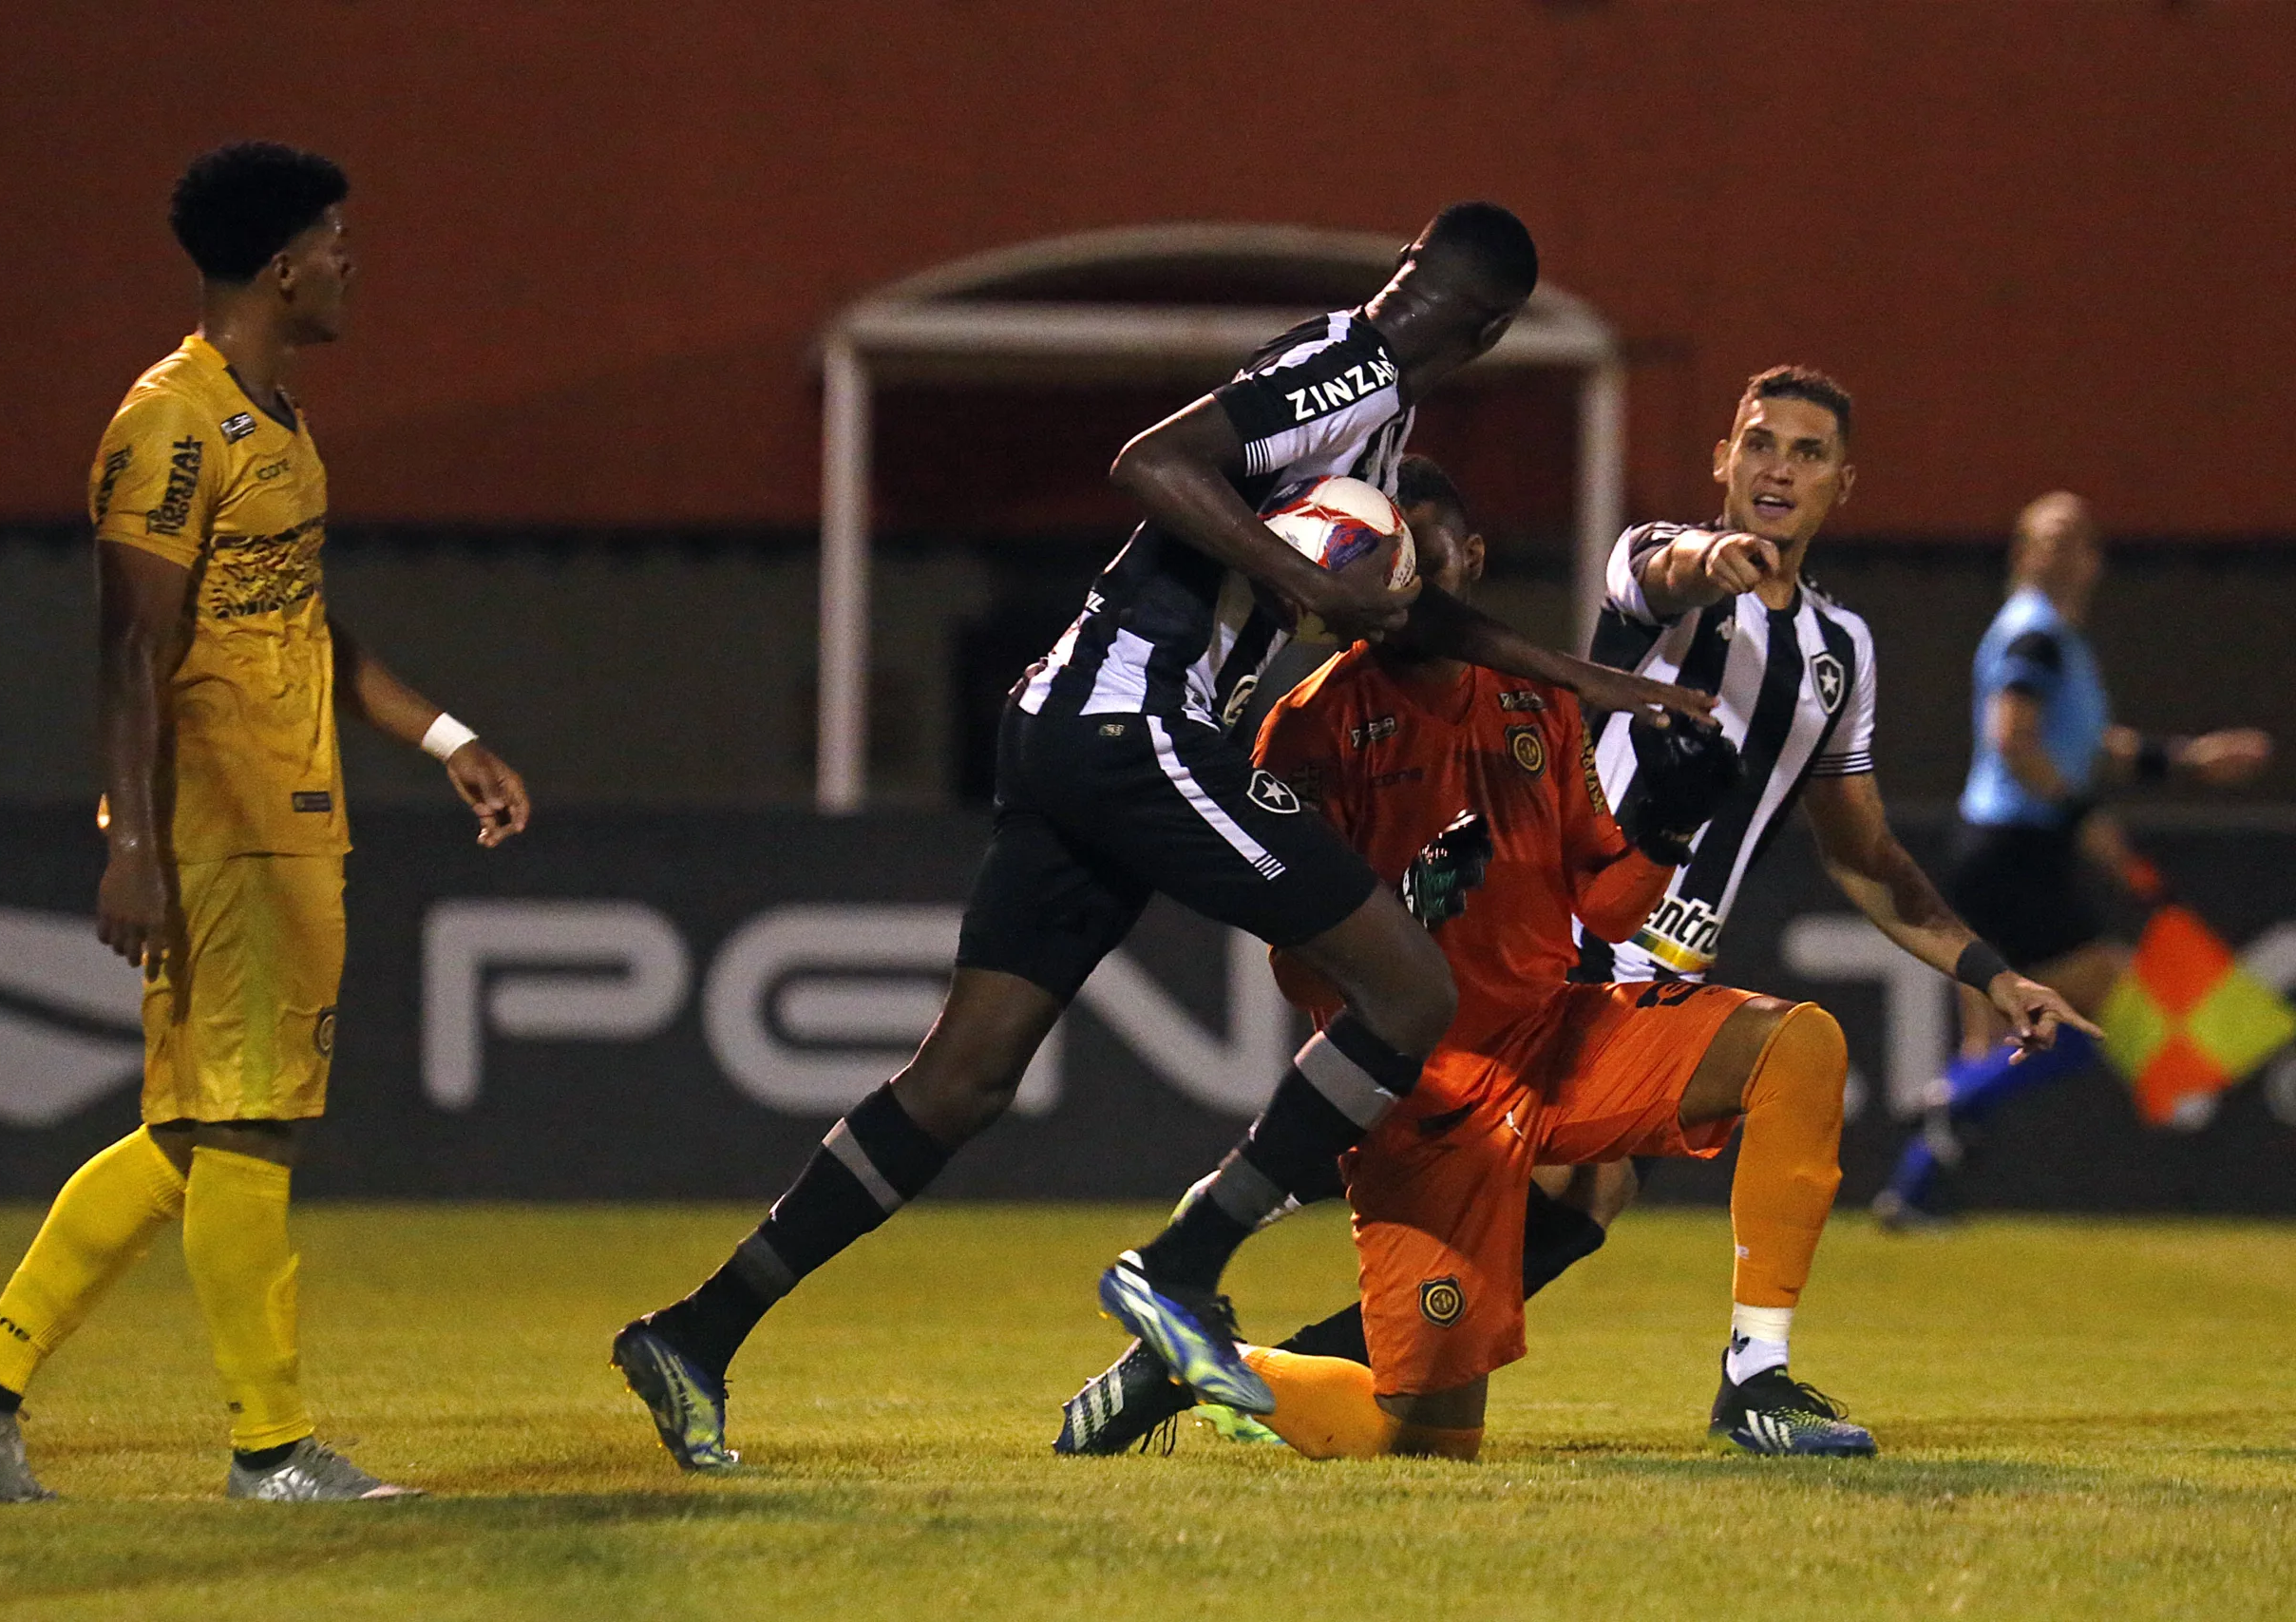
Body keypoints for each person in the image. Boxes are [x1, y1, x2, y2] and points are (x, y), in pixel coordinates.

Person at [612, 203, 1711, 1472]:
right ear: (1490, 328)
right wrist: (1308, 584)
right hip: (1132, 716)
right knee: (1408, 982)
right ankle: (1179, 1266)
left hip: (1074, 722)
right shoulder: (1345, 370)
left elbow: (1404, 616)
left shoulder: (1377, 408)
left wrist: (1586, 678)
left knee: (963, 1076)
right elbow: (1152, 459)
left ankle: (695, 1330)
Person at [1066, 372, 2097, 1449]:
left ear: (1845, 481)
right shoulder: (1653, 569)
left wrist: (1994, 973)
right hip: (1559, 953)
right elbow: (1664, 573)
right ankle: (1229, 1325)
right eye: (1758, 444)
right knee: (1534, 1208)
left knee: (1579, 1208)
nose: (1778, 468)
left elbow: (1867, 855)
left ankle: (1742, 1379)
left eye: (1805, 451)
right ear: (1722, 461)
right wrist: (1719, 562)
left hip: (1655, 967)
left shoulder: (1840, 652)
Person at [0, 143, 530, 1503]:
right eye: (339, 243)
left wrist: (445, 735)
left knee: (202, 1124)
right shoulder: (170, 423)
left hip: (294, 806)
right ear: (283, 264)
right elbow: (132, 641)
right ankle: (271, 1445)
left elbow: (298, 618)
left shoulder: (279, 419)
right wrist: (132, 838)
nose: (355, 264)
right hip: (224, 819)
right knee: (247, 1125)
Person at [1874, 491, 2270, 1225]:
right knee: (2106, 1008)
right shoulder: (2034, 637)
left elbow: (2084, 744)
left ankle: (1915, 1191)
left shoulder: (2053, 639)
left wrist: (2187, 759)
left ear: (2094, 559)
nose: (2061, 552)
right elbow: (2014, 738)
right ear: (2025, 554)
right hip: (2013, 851)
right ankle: (1952, 1103)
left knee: (1993, 1035)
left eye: (2075, 539)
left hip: (1993, 850)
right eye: (2047, 538)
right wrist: (2088, 818)